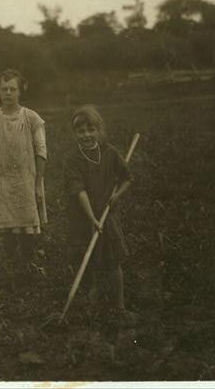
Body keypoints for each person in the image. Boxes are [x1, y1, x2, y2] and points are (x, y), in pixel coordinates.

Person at [64, 105, 135, 320]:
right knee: (88, 263)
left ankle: (119, 307)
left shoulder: (110, 152)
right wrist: (92, 218)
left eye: (90, 129)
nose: (86, 135)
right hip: (83, 218)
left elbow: (127, 178)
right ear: (75, 133)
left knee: (113, 263)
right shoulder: (73, 159)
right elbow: (80, 192)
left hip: (107, 216)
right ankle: (91, 307)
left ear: (98, 130)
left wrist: (116, 196)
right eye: (81, 131)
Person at [0, 69, 48, 279]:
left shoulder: (31, 118)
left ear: (21, 91)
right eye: (4, 89)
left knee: (26, 223)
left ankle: (27, 264)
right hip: (0, 180)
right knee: (7, 225)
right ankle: (10, 264)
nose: (8, 93)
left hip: (25, 179)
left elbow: (41, 151)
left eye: (12, 89)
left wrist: (38, 183)